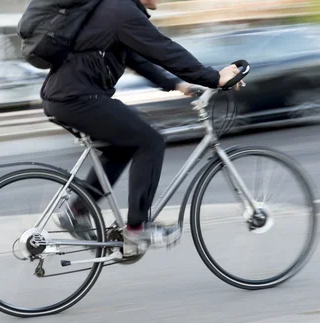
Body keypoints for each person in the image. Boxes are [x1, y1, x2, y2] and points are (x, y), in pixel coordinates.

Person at [41, 0, 243, 250]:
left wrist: (176, 84)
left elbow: (137, 58)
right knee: (150, 142)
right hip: (77, 99)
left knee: (121, 147)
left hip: (68, 98)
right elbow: (165, 50)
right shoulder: (121, 10)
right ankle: (137, 229)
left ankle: (77, 210)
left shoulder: (115, 11)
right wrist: (214, 77)